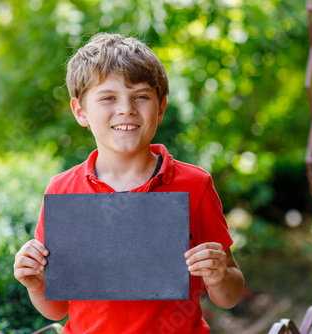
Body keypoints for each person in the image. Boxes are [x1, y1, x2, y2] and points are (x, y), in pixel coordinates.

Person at [13, 33, 244, 334]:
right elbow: (57, 308)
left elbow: (230, 295)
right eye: (108, 97)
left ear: (160, 108)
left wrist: (219, 276)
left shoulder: (195, 184)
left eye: (140, 96)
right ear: (80, 111)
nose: (126, 109)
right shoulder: (62, 190)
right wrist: (34, 283)